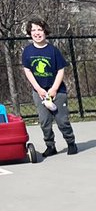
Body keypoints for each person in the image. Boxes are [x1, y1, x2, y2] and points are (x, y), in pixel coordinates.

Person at [20, 18, 78, 158]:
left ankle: (71, 143)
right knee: (45, 121)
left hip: (57, 92)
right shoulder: (27, 51)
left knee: (62, 120)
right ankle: (50, 146)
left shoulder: (53, 50)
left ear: (45, 32)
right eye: (33, 30)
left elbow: (60, 70)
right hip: (39, 92)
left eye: (39, 30)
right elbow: (28, 71)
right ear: (29, 33)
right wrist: (38, 89)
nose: (37, 33)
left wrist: (54, 89)